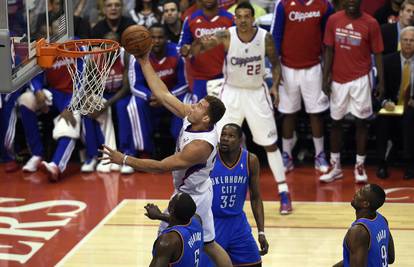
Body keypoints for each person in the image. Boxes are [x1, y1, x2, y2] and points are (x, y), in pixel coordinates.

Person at [99, 51, 233, 266]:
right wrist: (144, 62)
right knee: (209, 244)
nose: (193, 105)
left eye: (199, 105)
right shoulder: (194, 117)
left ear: (206, 118)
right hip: (200, 189)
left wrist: (123, 159)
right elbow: (163, 94)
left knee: (164, 243)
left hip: (191, 197)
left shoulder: (200, 146)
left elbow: (160, 167)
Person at [191, 2, 293, 214]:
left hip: (257, 93)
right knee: (218, 142)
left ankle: (284, 191)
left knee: (270, 144)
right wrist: (192, 47)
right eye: (239, 16)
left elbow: (275, 63)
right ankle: (208, 190)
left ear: (253, 18)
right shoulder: (225, 36)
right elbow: (199, 47)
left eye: (247, 16)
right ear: (234, 18)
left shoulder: (264, 37)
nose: (244, 19)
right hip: (232, 93)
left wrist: (274, 85)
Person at [320, 0, 384, 184]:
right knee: (336, 123)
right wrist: (326, 77)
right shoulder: (333, 20)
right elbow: (329, 50)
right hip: (338, 79)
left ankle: (359, 165)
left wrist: (380, 82)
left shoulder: (371, 23)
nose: (351, 3)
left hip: (361, 79)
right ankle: (335, 166)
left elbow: (378, 53)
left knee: (361, 123)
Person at [270, 0, 334, 173]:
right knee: (288, 113)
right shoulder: (283, 4)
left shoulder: (324, 5)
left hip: (314, 67)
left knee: (316, 113)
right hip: (287, 67)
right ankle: (286, 155)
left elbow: (329, 38)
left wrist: (328, 72)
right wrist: (276, 68)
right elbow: (275, 36)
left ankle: (320, 155)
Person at [125, 23, 191, 165]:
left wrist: (166, 97)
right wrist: (150, 96)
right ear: (148, 38)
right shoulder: (137, 54)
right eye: (153, 37)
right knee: (133, 104)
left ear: (166, 38)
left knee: (187, 100)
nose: (156, 41)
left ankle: (182, 151)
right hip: (151, 99)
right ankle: (144, 152)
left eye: (160, 37)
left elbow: (185, 83)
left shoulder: (177, 53)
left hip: (173, 96)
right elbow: (135, 85)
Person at [207, 123, 269, 266]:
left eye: (230, 136)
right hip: (213, 222)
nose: (225, 139)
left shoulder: (250, 160)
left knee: (255, 263)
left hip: (237, 223)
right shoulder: (210, 157)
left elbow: (255, 197)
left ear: (240, 140)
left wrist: (261, 232)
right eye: (223, 135)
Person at [376, 26, 414, 180]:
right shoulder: (387, 61)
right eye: (405, 40)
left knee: (409, 118)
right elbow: (378, 90)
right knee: (382, 119)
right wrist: (384, 102)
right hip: (392, 105)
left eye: (412, 40)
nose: (408, 43)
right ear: (400, 42)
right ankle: (382, 164)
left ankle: (409, 164)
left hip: (411, 106)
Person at [178, 0, 234, 100]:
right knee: (201, 113)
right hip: (200, 78)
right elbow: (181, 47)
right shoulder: (191, 19)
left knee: (225, 113)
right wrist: (186, 50)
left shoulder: (230, 18)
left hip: (225, 76)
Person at [333, 184, 395, 267]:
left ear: (365, 204)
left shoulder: (358, 231)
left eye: (360, 192)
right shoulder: (382, 220)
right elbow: (390, 258)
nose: (356, 193)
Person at [145, 192, 205, 267]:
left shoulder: (168, 242)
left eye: (172, 199)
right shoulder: (197, 220)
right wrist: (159, 215)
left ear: (171, 209)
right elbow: (180, 220)